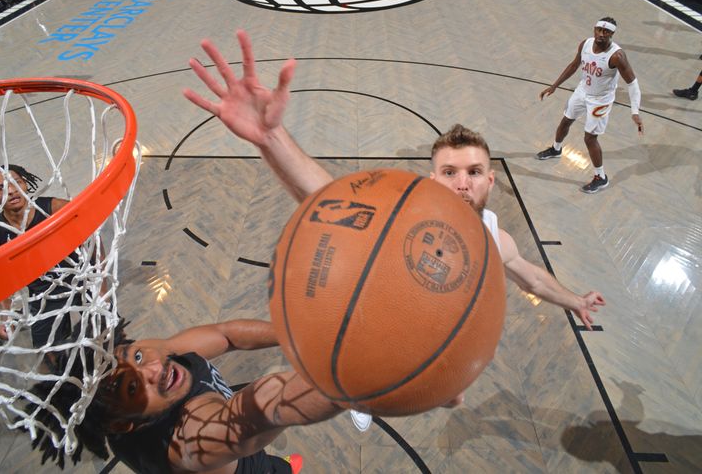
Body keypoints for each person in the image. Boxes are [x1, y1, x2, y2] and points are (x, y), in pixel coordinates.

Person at [182, 30, 607, 432]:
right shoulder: (404, 217)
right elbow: (323, 197)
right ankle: (360, 394)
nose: (463, 182)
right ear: (432, 179)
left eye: (475, 172)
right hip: (363, 334)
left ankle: (382, 391)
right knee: (353, 376)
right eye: (450, 172)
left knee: (432, 384)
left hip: (427, 351)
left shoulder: (495, 238)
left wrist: (575, 301)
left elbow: (530, 275)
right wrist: (270, 138)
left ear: (491, 181)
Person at [30, 318, 319, 473]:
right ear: (121, 425)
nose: (155, 368)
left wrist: (298, 335)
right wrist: (344, 365)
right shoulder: (187, 441)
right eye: (132, 388)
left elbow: (226, 334)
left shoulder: (138, 368)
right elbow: (272, 406)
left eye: (137, 355)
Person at [535, 18, 643, 194]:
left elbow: (633, 84)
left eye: (606, 32)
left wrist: (635, 111)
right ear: (594, 29)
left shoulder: (617, 56)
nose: (601, 34)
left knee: (589, 138)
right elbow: (574, 64)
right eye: (598, 30)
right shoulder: (585, 44)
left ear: (612, 34)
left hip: (600, 100)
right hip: (582, 91)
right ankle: (556, 149)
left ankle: (601, 177)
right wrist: (554, 85)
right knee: (565, 121)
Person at [0, 164, 80, 346]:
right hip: (43, 294)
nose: (11, 191)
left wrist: (102, 289)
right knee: (46, 353)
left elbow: (92, 242)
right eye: (0, 188)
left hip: (80, 279)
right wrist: (6, 317)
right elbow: (3, 277)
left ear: (25, 183)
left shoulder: (55, 208)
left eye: (16, 182)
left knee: (111, 330)